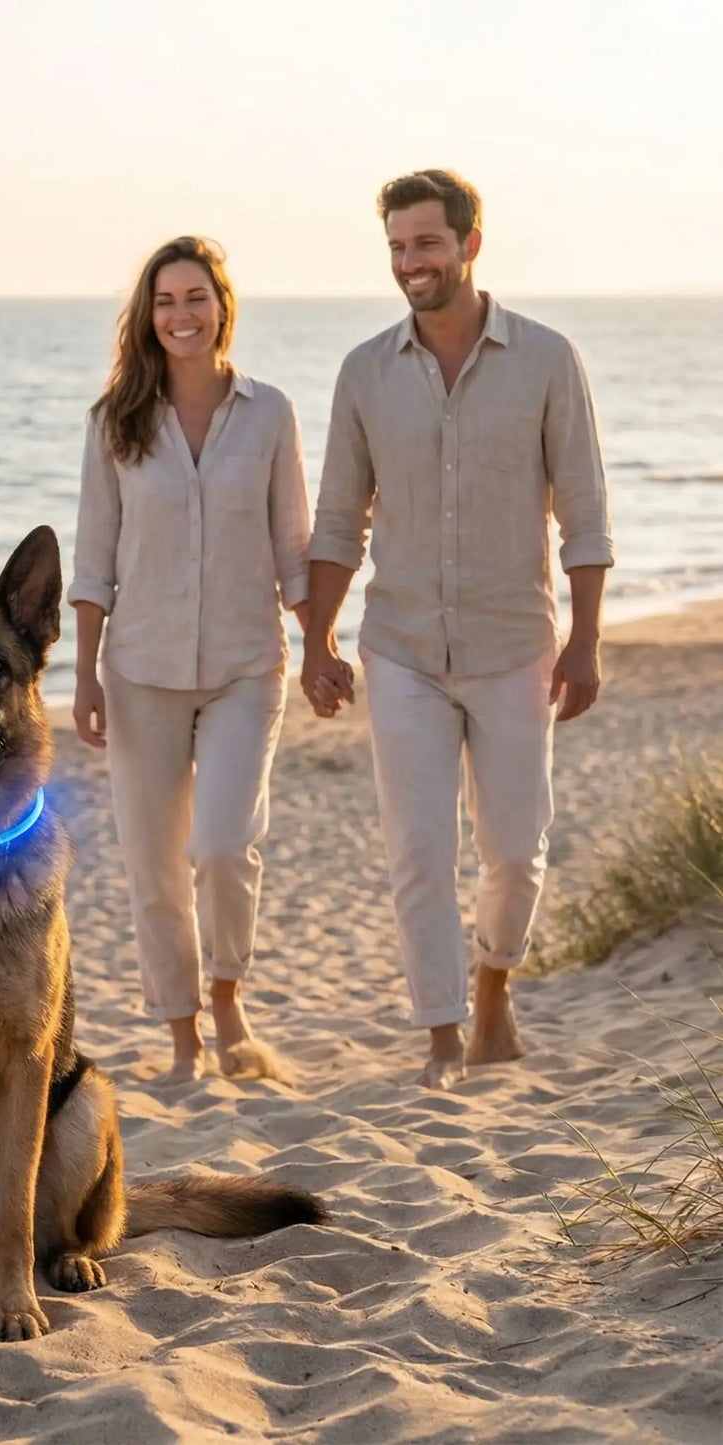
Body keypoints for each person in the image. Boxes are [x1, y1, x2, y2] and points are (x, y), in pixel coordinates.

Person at [302, 169, 614, 1089]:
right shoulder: (363, 371)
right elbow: (337, 521)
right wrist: (317, 640)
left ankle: (491, 986)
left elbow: (585, 513)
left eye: (426, 244)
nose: (410, 263)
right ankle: (441, 1034)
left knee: (514, 850)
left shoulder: (547, 360)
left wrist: (586, 640)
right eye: (397, 247)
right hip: (400, 647)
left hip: (514, 642)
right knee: (418, 851)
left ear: (469, 245)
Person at [70, 236, 312, 1086]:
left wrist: (321, 645)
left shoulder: (269, 412)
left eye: (195, 297)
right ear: (148, 316)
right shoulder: (114, 422)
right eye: (166, 300)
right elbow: (93, 558)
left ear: (221, 306)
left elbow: (293, 547)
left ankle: (228, 998)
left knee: (222, 845)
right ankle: (182, 1038)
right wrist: (84, 674)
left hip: (247, 662)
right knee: (154, 866)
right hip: (139, 671)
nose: (182, 315)